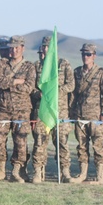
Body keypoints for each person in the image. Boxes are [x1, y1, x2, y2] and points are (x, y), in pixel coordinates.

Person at [0, 36, 37, 183]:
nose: (13, 50)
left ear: (22, 48)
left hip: (22, 110)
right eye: (11, 48)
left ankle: (18, 171)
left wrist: (9, 84)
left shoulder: (29, 67)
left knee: (20, 141)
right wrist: (16, 81)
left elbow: (28, 87)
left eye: (16, 47)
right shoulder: (2, 64)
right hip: (3, 109)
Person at [30, 35, 75, 183]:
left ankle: (65, 171)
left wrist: (57, 91)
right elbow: (31, 88)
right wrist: (39, 93)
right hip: (42, 110)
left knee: (62, 141)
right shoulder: (37, 66)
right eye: (44, 46)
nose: (46, 49)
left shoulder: (63, 64)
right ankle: (37, 171)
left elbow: (71, 85)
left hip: (60, 110)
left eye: (48, 46)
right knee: (40, 142)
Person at [69, 43, 103, 184]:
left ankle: (99, 176)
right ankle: (83, 174)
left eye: (89, 54)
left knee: (98, 146)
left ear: (94, 56)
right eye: (83, 54)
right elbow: (73, 94)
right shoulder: (77, 72)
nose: (85, 57)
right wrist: (71, 111)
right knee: (81, 146)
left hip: (96, 116)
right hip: (80, 115)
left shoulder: (101, 73)